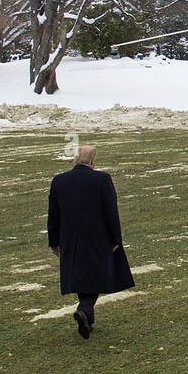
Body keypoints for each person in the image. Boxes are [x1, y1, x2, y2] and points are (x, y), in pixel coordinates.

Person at [47, 145, 135, 339]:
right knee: (96, 274)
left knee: (82, 274)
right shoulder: (101, 179)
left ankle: (88, 318)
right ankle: (84, 309)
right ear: (92, 162)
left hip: (70, 238)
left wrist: (54, 240)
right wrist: (115, 239)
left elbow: (54, 214)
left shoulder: (59, 181)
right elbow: (111, 212)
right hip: (97, 237)